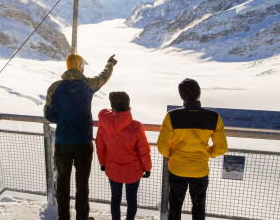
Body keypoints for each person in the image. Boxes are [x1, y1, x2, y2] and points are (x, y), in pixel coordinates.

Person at [44, 53, 117, 220]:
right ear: (79, 66)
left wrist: (64, 120)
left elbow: (48, 114)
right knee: (82, 184)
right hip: (83, 143)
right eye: (82, 65)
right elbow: (103, 77)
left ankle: (63, 217)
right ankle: (82, 217)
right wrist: (110, 64)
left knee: (62, 183)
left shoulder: (54, 87)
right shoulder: (88, 85)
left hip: (63, 143)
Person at [157, 79, 228, 220]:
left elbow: (162, 145)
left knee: (175, 205)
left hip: (177, 169)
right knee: (199, 207)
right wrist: (207, 153)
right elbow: (221, 148)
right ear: (199, 94)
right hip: (200, 169)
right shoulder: (213, 117)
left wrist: (172, 155)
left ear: (181, 95)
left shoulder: (172, 116)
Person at [96, 91, 152, 220]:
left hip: (113, 169)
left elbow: (100, 147)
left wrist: (103, 164)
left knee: (115, 199)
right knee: (131, 199)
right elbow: (143, 151)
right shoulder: (136, 126)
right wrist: (147, 168)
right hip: (133, 171)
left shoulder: (104, 125)